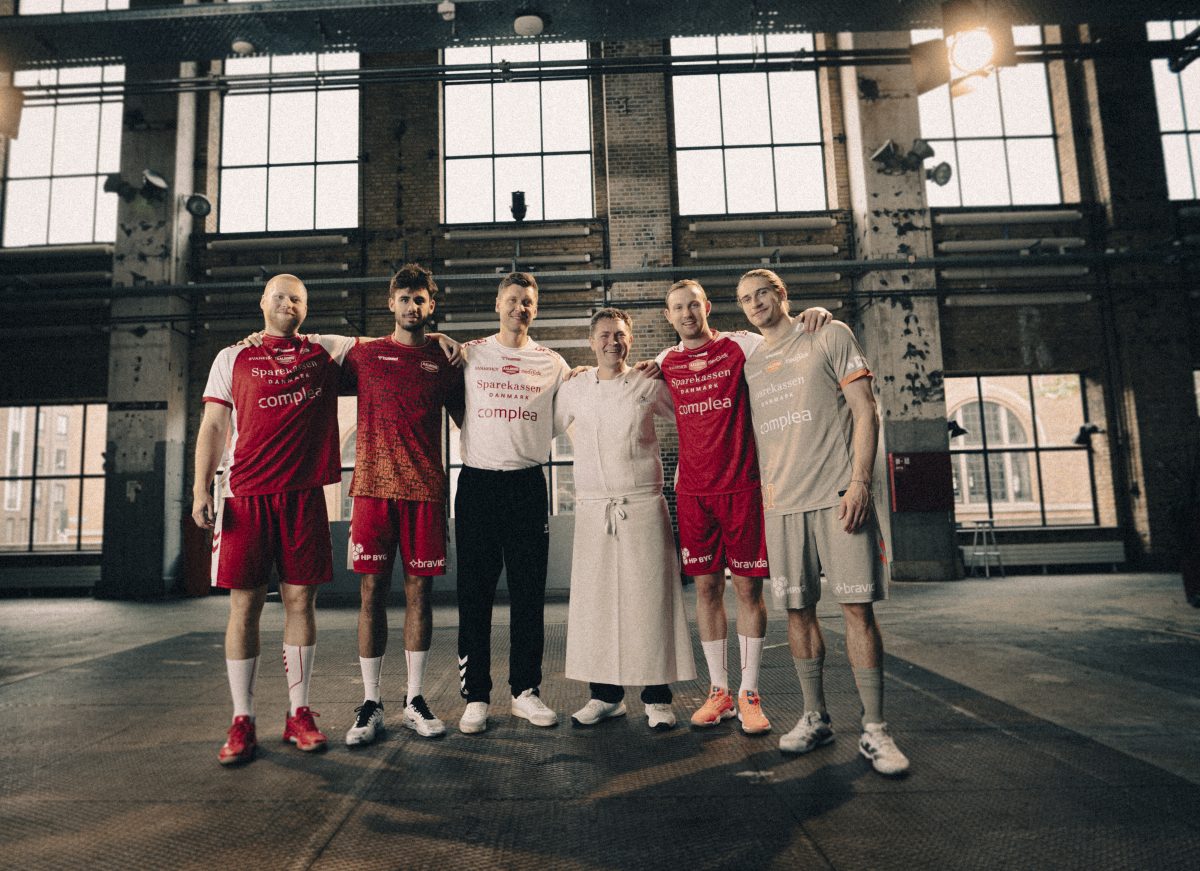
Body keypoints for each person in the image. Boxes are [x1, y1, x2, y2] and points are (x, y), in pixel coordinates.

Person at [737, 268, 909, 776]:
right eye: (745, 299)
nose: (755, 303)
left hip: (839, 496)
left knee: (857, 610)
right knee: (797, 612)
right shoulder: (752, 361)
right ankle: (815, 717)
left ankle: (875, 729)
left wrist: (860, 483)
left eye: (762, 293)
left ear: (782, 294)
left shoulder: (829, 334)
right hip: (783, 505)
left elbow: (866, 411)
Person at [192, 273, 356, 765]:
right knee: (244, 607)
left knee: (300, 602)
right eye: (280, 295)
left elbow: (388, 343)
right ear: (263, 301)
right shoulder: (231, 357)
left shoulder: (325, 350)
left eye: (298, 298)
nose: (289, 303)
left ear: (306, 308)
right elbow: (214, 424)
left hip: (304, 497)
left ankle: (298, 713)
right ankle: (242, 719)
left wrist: (441, 338)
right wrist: (200, 487)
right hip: (245, 495)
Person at [652, 279, 829, 735]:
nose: (687, 314)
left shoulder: (741, 345)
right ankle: (720, 692)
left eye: (694, 305)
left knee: (749, 591)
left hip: (744, 488)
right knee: (707, 590)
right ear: (668, 317)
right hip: (693, 494)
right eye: (678, 308)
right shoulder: (664, 362)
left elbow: (784, 339)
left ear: (707, 307)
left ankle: (749, 692)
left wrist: (813, 317)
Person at [554, 308, 697, 730]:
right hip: (594, 508)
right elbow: (544, 426)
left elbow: (692, 417)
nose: (612, 342)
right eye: (603, 335)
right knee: (596, 604)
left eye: (619, 334)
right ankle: (605, 696)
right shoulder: (576, 388)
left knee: (650, 601)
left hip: (643, 505)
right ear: (591, 341)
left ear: (630, 339)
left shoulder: (649, 382)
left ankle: (657, 698)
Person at [340, 264, 465, 746]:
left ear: (431, 306)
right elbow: (310, 350)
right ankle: (370, 702)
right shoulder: (364, 355)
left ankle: (414, 698)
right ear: (390, 302)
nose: (413, 306)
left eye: (421, 299)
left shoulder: (445, 359)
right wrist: (255, 337)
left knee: (420, 596)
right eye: (405, 298)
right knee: (371, 592)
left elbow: (469, 417)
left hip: (425, 492)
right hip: (372, 490)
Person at [455, 272, 570, 734]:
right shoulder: (469, 354)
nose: (519, 307)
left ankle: (525, 690)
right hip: (478, 484)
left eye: (527, 302)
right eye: (512, 299)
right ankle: (476, 696)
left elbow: (569, 409)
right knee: (474, 596)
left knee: (528, 594)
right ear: (497, 303)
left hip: (526, 486)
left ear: (535, 310)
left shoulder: (553, 363)